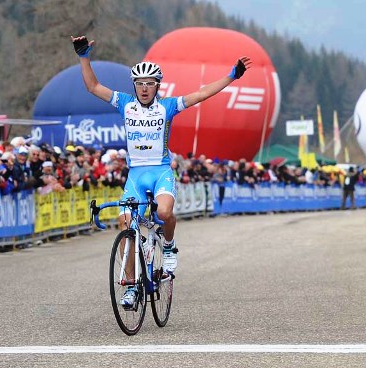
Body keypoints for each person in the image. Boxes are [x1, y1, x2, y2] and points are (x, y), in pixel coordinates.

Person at [72, 35, 251, 308]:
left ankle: (168, 245)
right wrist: (83, 56)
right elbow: (93, 86)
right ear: (135, 86)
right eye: (140, 84)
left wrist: (231, 76)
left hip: (161, 171)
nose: (144, 88)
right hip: (136, 174)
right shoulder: (124, 103)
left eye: (150, 84)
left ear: (157, 86)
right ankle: (131, 286)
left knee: (165, 213)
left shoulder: (167, 106)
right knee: (125, 224)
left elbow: (201, 93)